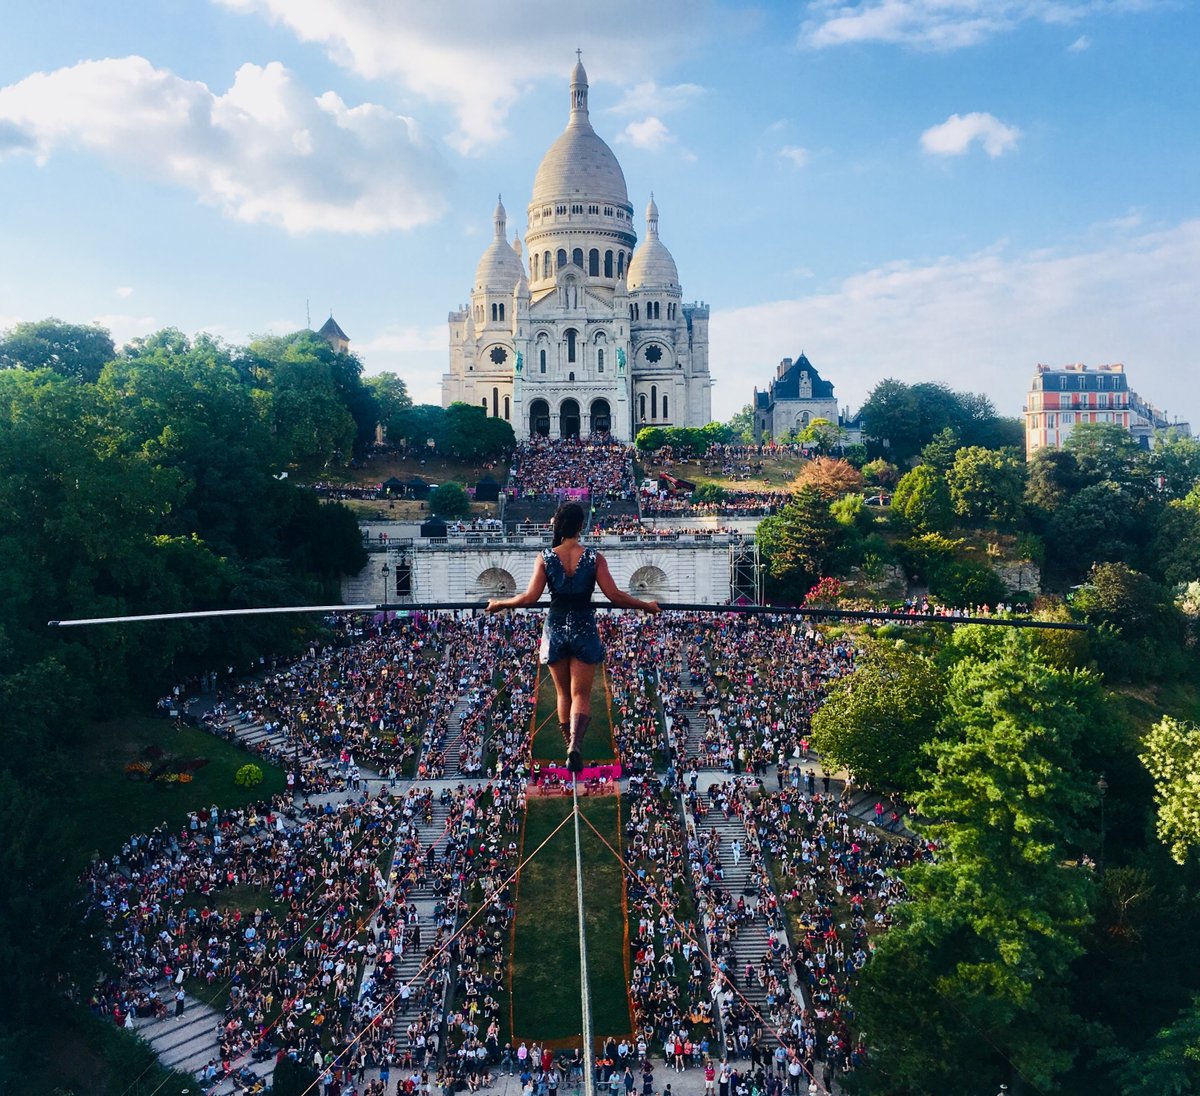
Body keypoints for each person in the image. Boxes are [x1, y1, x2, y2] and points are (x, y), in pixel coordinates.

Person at [487, 501, 659, 772]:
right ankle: (575, 746)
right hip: (583, 625)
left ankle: (568, 744)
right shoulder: (593, 557)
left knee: (562, 693)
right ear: (581, 526)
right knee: (581, 693)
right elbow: (614, 596)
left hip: (555, 626)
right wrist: (646, 605)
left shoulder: (545, 556)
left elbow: (530, 598)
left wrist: (501, 604)